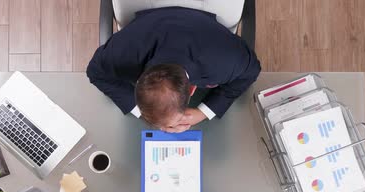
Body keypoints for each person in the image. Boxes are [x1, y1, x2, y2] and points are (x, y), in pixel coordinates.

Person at [87, 7, 261, 133]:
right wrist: (141, 111)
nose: (166, 129)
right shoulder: (121, 54)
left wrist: (203, 112)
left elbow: (252, 70)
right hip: (147, 26)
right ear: (138, 81)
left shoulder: (225, 62)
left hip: (207, 30)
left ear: (193, 89)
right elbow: (94, 72)